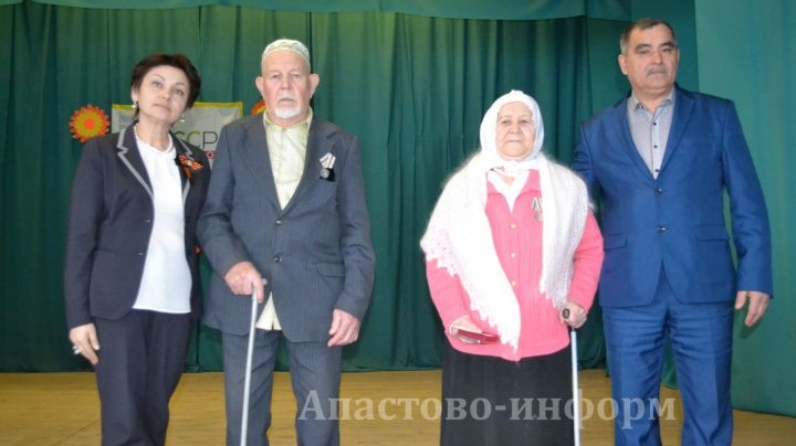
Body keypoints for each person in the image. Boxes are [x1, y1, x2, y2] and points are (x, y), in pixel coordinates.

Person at [573, 18, 773, 446]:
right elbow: (575, 213)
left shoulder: (718, 115)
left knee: (709, 412)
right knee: (633, 418)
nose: (657, 59)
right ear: (624, 63)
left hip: (704, 284)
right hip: (627, 289)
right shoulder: (594, 131)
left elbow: (748, 200)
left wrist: (755, 273)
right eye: (644, 50)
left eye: (666, 48)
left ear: (678, 56)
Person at [197, 38, 375, 446]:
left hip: (319, 303)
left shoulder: (341, 144)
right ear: (261, 85)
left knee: (319, 424)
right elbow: (212, 217)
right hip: (245, 299)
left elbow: (356, 231)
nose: (286, 85)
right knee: (243, 425)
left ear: (313, 83)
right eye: (275, 77)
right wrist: (231, 263)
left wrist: (353, 302)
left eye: (296, 76)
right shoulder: (233, 138)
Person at [420, 90, 604, 445]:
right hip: (477, 341)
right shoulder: (461, 190)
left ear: (538, 130)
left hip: (544, 342)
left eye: (525, 121)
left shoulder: (567, 189)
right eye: (505, 121)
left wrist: (578, 300)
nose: (515, 129)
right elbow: (441, 259)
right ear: (491, 129)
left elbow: (590, 250)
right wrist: (455, 317)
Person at [64, 53, 208, 445]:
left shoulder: (194, 161)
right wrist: (78, 316)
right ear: (136, 93)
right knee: (124, 419)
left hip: (176, 305)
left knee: (154, 413)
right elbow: (80, 239)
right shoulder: (103, 153)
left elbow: (206, 226)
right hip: (118, 306)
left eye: (179, 90)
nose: (166, 95)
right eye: (156, 84)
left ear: (186, 107)